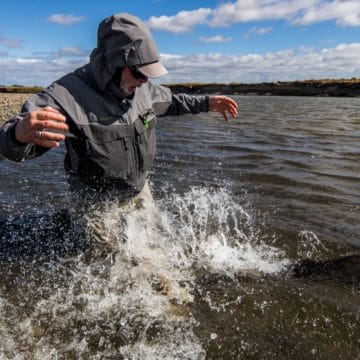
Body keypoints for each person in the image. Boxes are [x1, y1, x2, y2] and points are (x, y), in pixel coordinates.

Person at [0, 13, 238, 245]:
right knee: (108, 259)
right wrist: (17, 135)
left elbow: (174, 102)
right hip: (95, 202)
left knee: (154, 244)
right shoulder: (64, 96)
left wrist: (207, 103)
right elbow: (14, 144)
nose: (145, 81)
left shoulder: (144, 88)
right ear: (114, 63)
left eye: (149, 74)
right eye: (139, 73)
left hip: (138, 189)